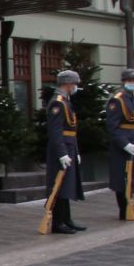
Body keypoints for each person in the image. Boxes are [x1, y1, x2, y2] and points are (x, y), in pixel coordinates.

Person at [44, 69, 87, 234]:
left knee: (66, 186)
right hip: (60, 149)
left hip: (68, 146)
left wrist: (74, 151)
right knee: (59, 187)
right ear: (68, 84)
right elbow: (56, 131)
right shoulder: (58, 102)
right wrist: (62, 153)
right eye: (74, 83)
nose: (75, 87)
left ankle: (66, 219)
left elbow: (71, 129)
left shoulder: (65, 101)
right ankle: (57, 222)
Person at [105, 66, 134, 220]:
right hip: (122, 143)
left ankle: (131, 207)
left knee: (132, 177)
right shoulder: (117, 99)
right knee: (122, 177)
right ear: (124, 81)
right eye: (129, 80)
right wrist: (123, 143)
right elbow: (112, 126)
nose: (133, 83)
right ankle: (124, 209)